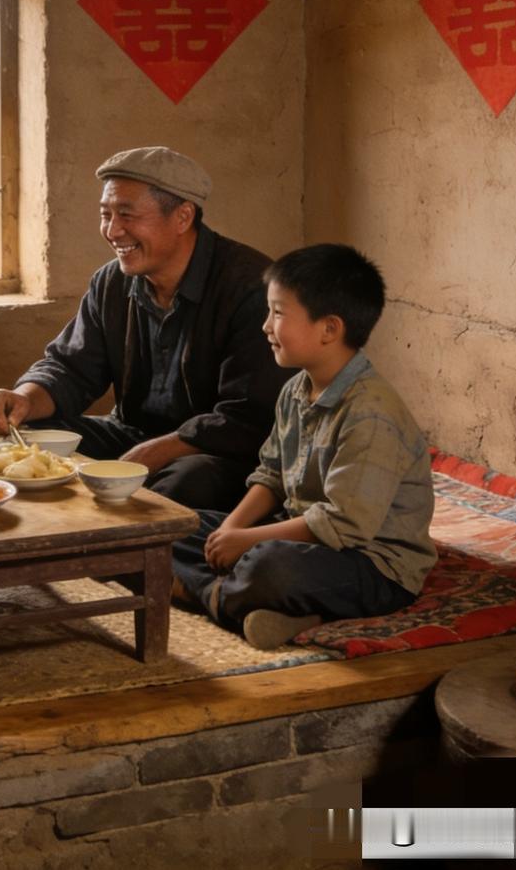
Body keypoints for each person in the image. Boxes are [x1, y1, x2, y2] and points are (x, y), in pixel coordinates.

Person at [0, 146, 287, 511]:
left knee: (179, 485)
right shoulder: (112, 282)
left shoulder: (250, 287)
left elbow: (248, 416)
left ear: (183, 217)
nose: (112, 230)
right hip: (131, 436)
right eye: (105, 214)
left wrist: (154, 453)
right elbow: (70, 368)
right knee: (28, 441)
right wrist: (24, 400)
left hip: (217, 453)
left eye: (126, 215)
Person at [171, 244, 436, 649]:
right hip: (301, 535)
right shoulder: (296, 389)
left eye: (277, 313)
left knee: (270, 567)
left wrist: (248, 544)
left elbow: (345, 525)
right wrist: (231, 530)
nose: (265, 326)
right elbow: (272, 474)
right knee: (171, 530)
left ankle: (203, 593)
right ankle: (265, 608)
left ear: (329, 329)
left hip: (369, 564)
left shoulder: (371, 414)